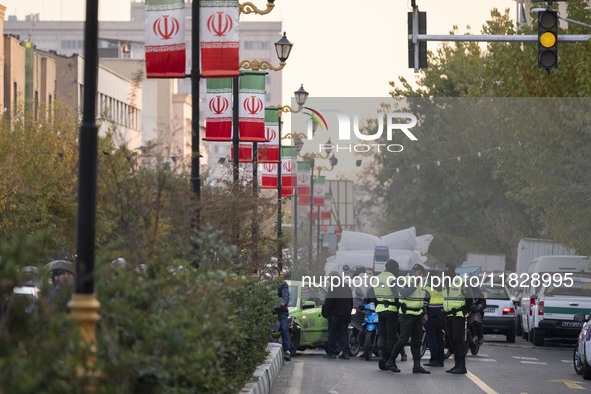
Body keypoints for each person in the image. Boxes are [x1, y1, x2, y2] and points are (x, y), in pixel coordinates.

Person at [385, 264, 431, 374]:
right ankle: (391, 361)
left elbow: (420, 300)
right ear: (413, 272)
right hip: (407, 315)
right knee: (403, 339)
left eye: (422, 274)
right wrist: (414, 284)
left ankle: (417, 366)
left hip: (417, 314)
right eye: (419, 273)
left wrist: (424, 313)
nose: (421, 276)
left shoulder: (420, 283)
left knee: (417, 341)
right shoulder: (403, 280)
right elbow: (404, 294)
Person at [367, 259, 406, 369]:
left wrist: (377, 305)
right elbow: (396, 296)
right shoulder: (393, 279)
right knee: (391, 336)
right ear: (394, 268)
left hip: (380, 310)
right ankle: (389, 360)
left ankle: (381, 357)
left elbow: (372, 294)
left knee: (382, 334)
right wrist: (400, 307)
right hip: (391, 310)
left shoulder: (377, 278)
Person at [443, 270, 472, 374]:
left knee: (458, 341)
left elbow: (469, 297)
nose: (446, 273)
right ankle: (457, 364)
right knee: (452, 340)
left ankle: (462, 366)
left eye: (447, 270)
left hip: (458, 316)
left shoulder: (460, 281)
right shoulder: (445, 282)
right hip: (448, 316)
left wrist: (466, 309)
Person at [323, 271, 353, 360]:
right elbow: (351, 301)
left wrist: (327, 312)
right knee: (344, 334)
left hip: (334, 315)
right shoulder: (347, 287)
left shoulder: (333, 287)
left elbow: (328, 302)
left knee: (331, 333)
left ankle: (331, 353)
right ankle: (345, 353)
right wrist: (348, 313)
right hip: (344, 315)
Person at [424, 272, 445, 367]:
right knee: (439, 338)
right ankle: (440, 360)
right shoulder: (442, 288)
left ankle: (434, 360)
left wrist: (424, 315)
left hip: (431, 315)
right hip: (441, 315)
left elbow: (424, 304)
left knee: (431, 338)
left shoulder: (427, 289)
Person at [276, 279, 291, 361]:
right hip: (269, 311)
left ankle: (287, 351)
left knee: (283, 328)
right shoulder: (265, 284)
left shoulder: (283, 284)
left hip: (281, 311)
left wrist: (284, 302)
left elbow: (286, 295)